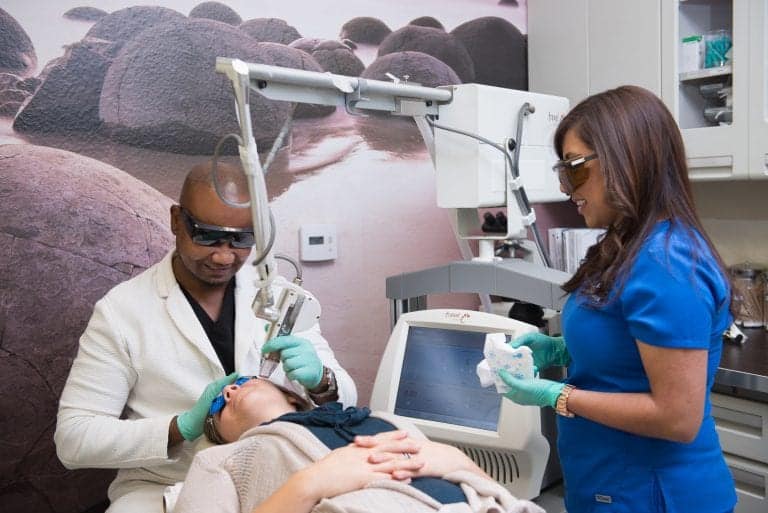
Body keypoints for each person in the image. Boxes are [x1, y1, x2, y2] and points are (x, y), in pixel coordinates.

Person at [54, 161, 356, 513]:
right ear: (176, 220)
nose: (223, 255)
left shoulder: (280, 297)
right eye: (207, 235)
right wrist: (180, 428)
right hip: (165, 485)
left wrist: (322, 381)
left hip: (280, 476)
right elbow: (74, 439)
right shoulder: (121, 312)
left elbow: (347, 400)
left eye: (241, 239)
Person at [497, 85, 737, 513]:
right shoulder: (626, 245)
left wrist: (558, 395)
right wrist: (561, 348)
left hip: (656, 495)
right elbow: (624, 344)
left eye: (574, 169)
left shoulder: (666, 263)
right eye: (562, 171)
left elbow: (677, 417)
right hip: (609, 485)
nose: (566, 188)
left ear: (626, 159)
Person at [171, 376, 545, 513]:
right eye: (218, 405)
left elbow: (497, 495)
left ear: (293, 397)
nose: (230, 391)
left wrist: (460, 461)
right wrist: (307, 485)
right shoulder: (222, 458)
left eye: (242, 381)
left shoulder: (383, 419)